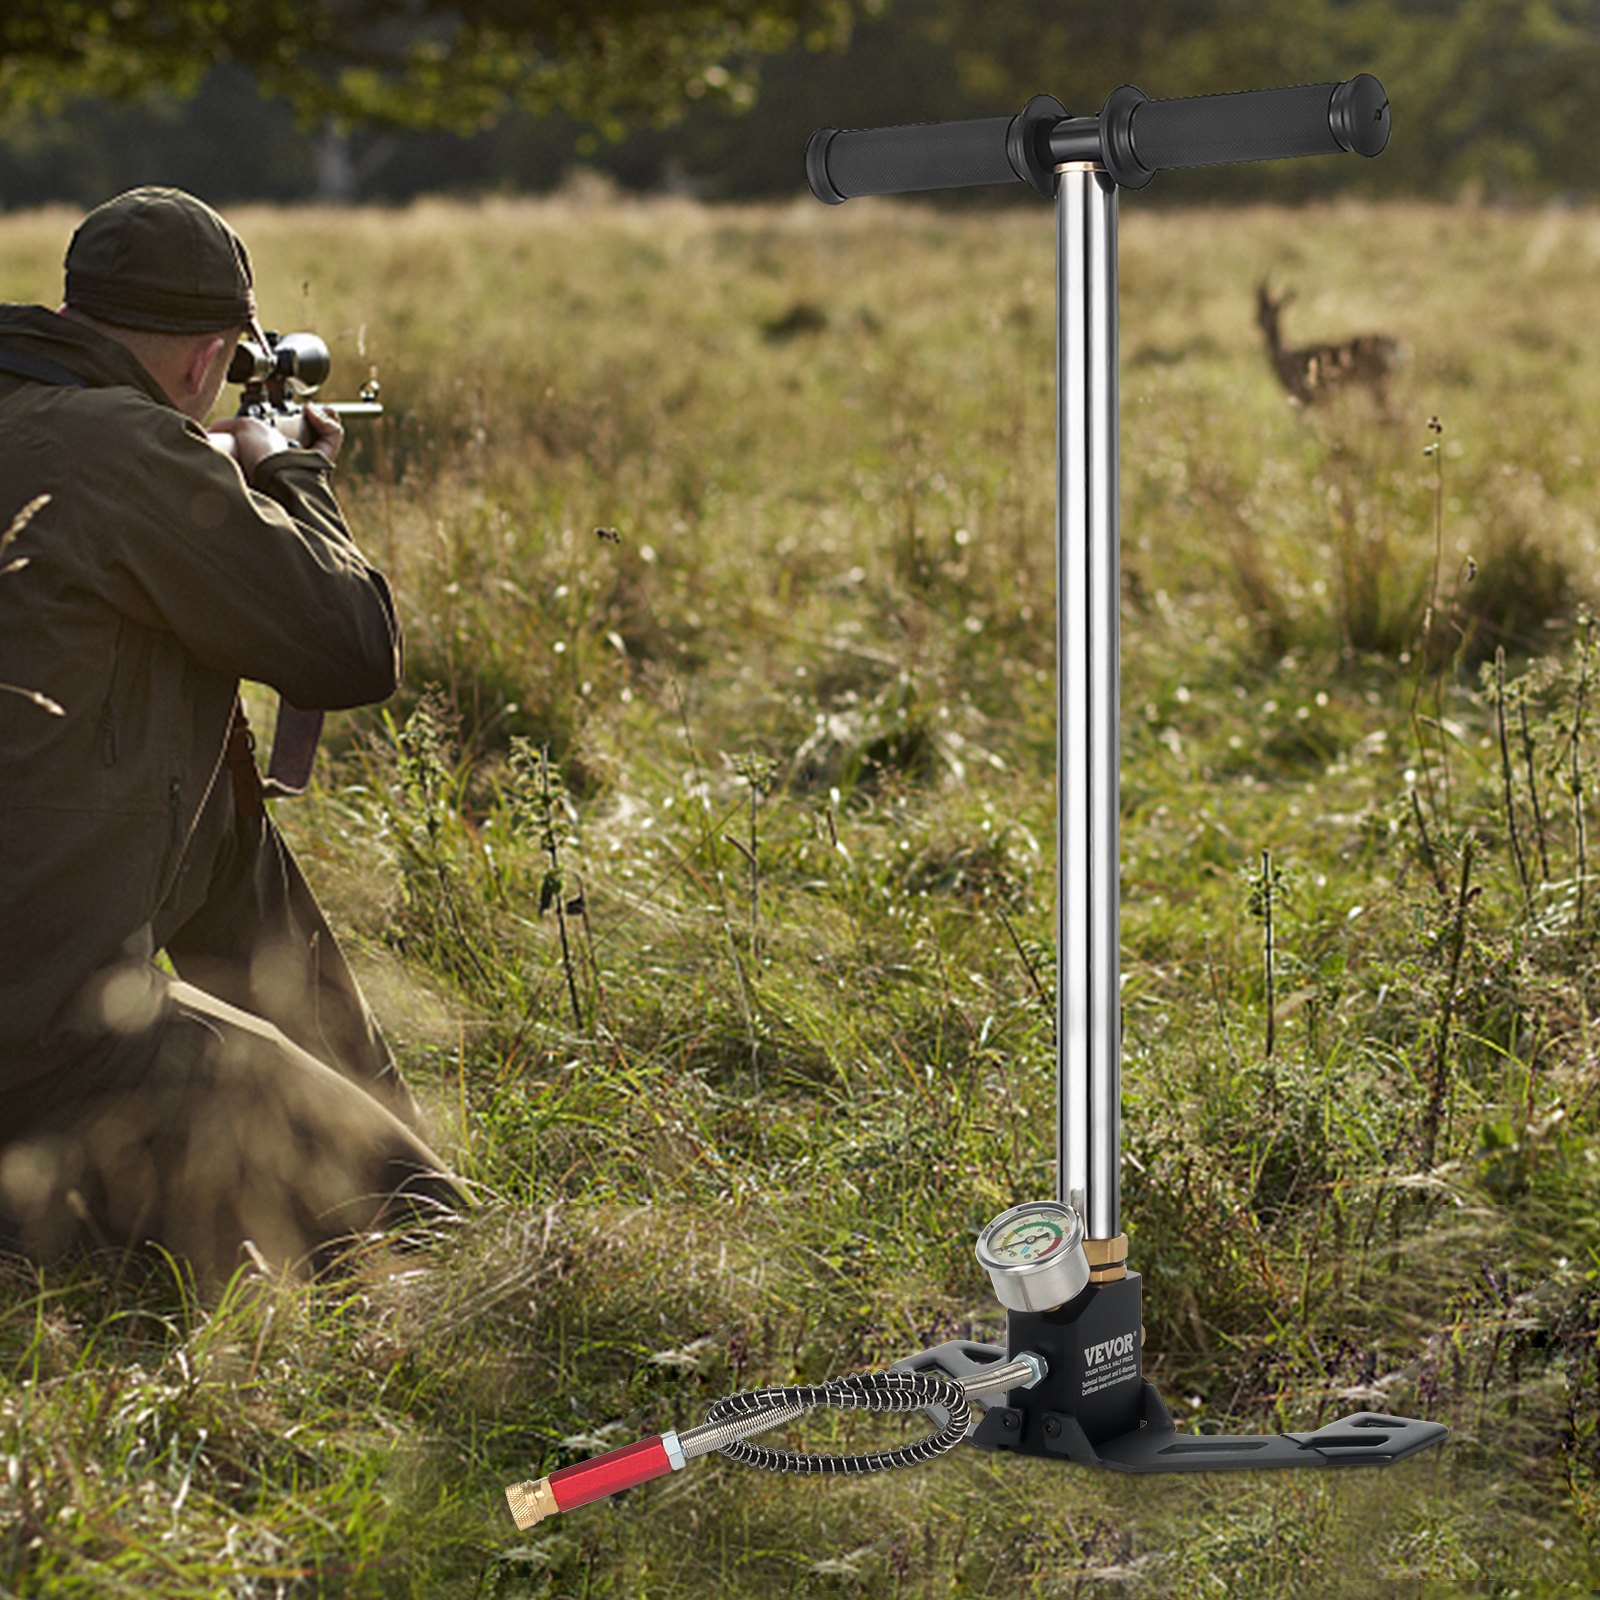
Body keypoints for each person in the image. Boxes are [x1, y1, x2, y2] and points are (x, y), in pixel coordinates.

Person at [0, 186, 460, 1282]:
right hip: (46, 1044)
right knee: (422, 1226)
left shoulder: (43, 421)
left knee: (226, 828)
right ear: (212, 357)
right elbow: (350, 648)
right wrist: (289, 475)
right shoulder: (126, 453)